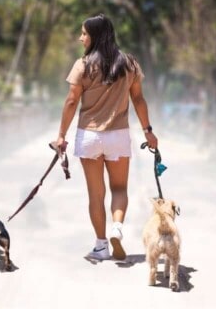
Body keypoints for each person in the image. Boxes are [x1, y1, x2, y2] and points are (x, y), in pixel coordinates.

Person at [55, 13, 158, 261]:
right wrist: (148, 131)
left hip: (89, 136)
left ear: (95, 35)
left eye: (84, 33)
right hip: (119, 136)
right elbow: (138, 100)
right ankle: (117, 228)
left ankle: (101, 246)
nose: (81, 38)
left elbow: (71, 101)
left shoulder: (83, 65)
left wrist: (61, 136)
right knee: (120, 188)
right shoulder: (130, 64)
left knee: (96, 194)